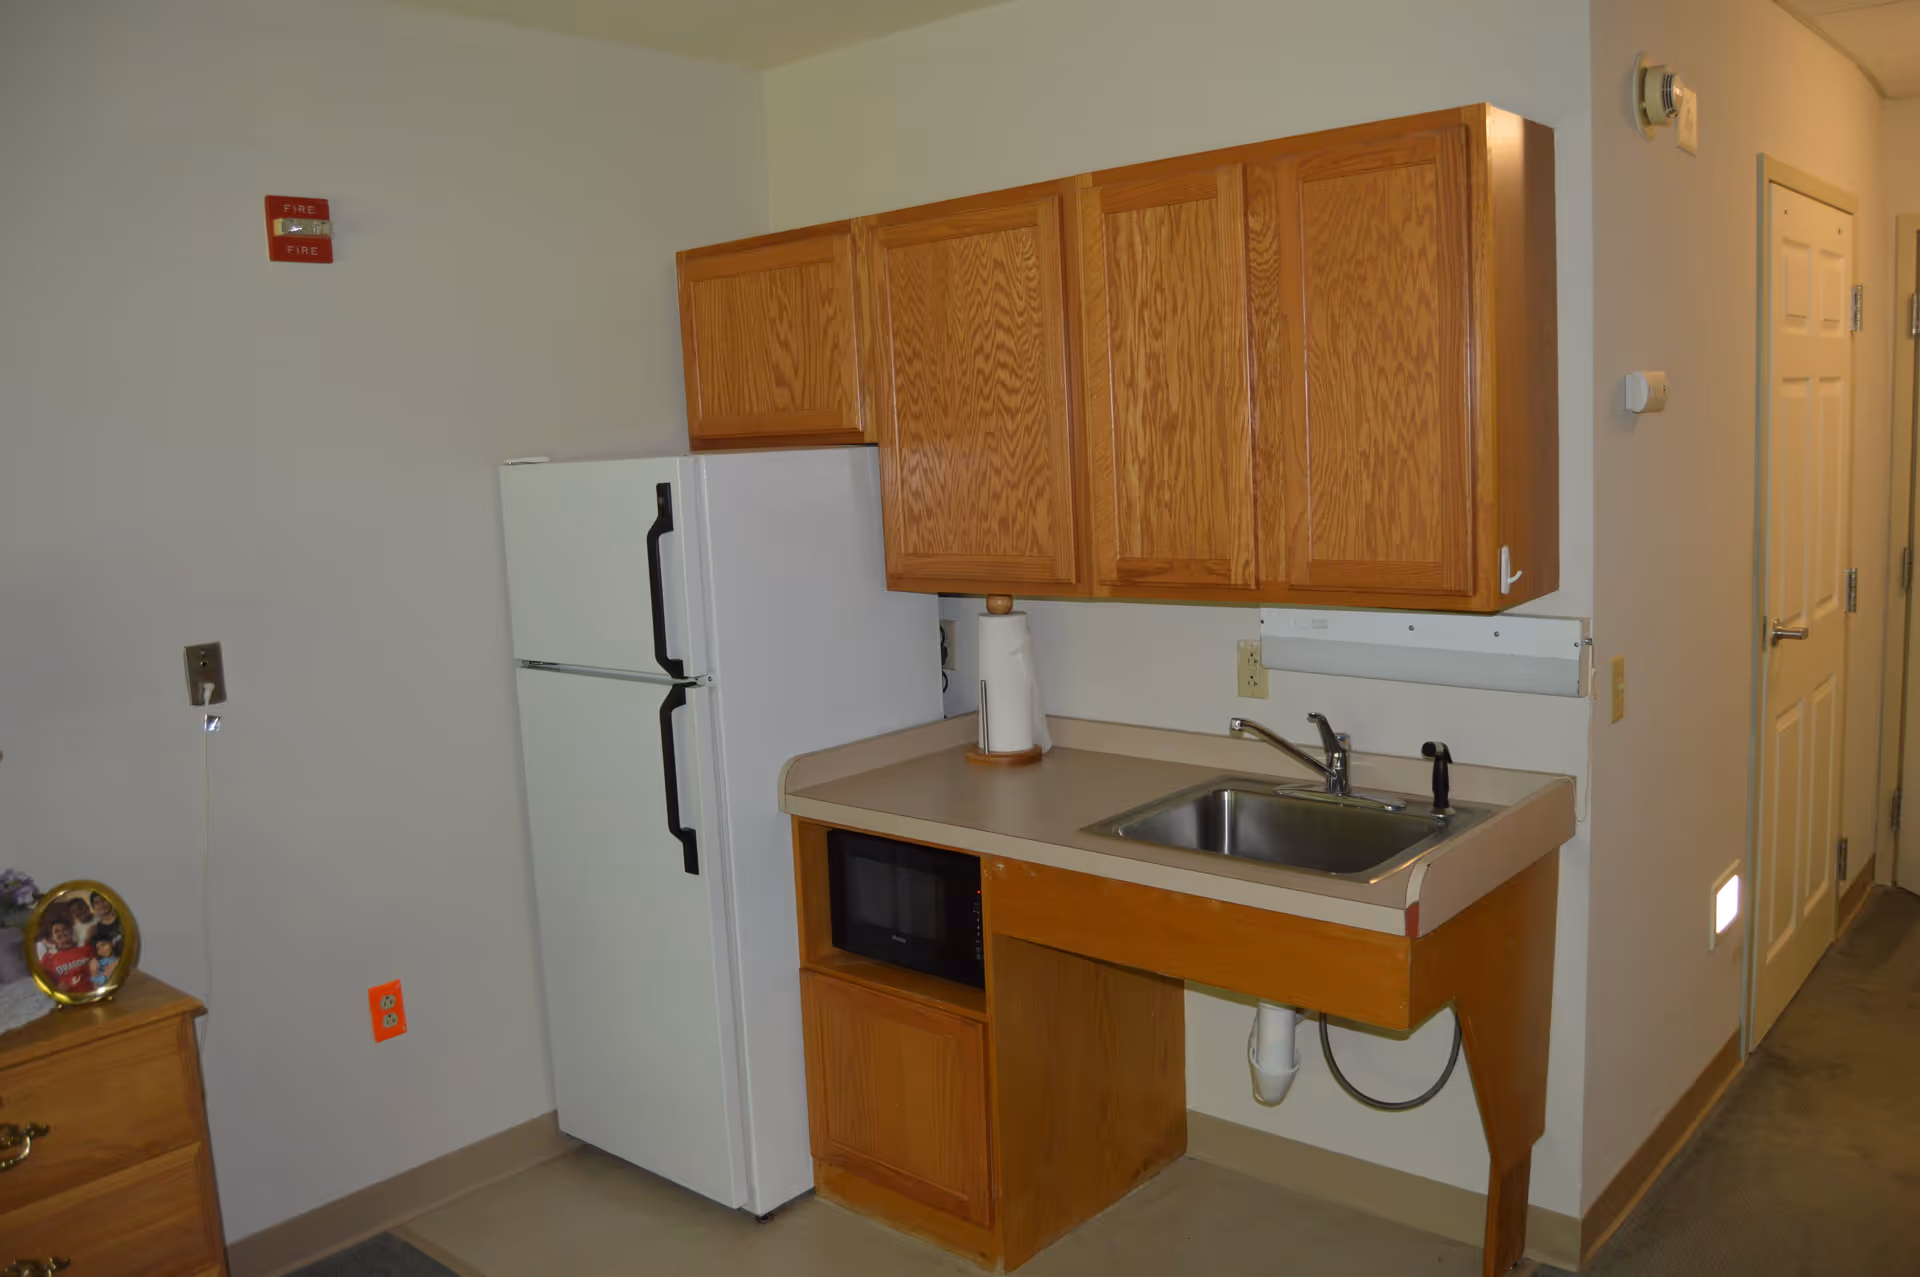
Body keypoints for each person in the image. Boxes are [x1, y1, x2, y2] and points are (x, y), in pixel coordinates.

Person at [39, 919, 92, 994]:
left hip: (91, 993)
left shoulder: (86, 948)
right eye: (57, 931)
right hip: (68, 997)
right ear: (52, 937)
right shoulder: (48, 958)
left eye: (64, 929)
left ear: (71, 932)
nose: (61, 933)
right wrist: (55, 988)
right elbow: (41, 982)